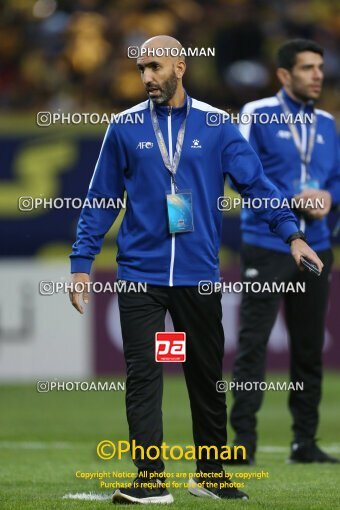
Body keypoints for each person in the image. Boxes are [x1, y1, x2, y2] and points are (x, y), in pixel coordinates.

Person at [69, 35, 323, 504]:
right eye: (141, 68)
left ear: (180, 67)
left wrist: (292, 233)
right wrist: (82, 263)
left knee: (205, 376)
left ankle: (210, 473)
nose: (146, 76)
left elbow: (258, 185)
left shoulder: (218, 126)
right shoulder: (123, 127)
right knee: (143, 375)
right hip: (140, 276)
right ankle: (150, 481)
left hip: (198, 275)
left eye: (155, 67)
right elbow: (101, 200)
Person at [230, 39, 340, 465]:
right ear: (283, 75)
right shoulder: (256, 114)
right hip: (267, 244)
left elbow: (336, 178)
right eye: (308, 68)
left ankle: (304, 442)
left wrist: (329, 197)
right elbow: (240, 174)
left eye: (320, 67)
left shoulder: (328, 122)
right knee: (253, 344)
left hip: (319, 247)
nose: (318, 75)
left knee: (310, 346)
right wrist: (295, 200)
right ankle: (243, 442)